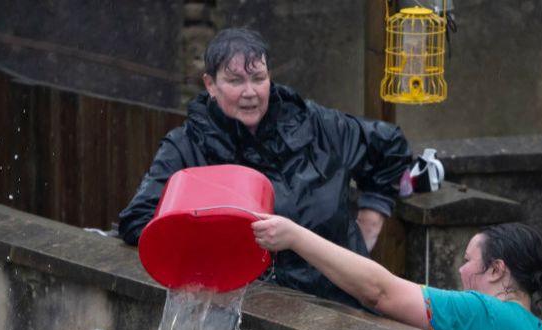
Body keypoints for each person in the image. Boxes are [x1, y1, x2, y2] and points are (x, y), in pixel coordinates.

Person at [118, 28, 412, 307]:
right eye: (235, 81)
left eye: (258, 78)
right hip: (255, 313)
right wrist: (210, 249)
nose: (250, 92)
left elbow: (390, 145)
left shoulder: (316, 124)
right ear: (210, 85)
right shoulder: (187, 147)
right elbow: (138, 222)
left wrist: (373, 212)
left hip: (344, 303)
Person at [252, 216, 542, 330]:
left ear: (496, 270)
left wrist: (295, 237)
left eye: (468, 260)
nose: (461, 269)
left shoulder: (484, 312)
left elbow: (379, 292)